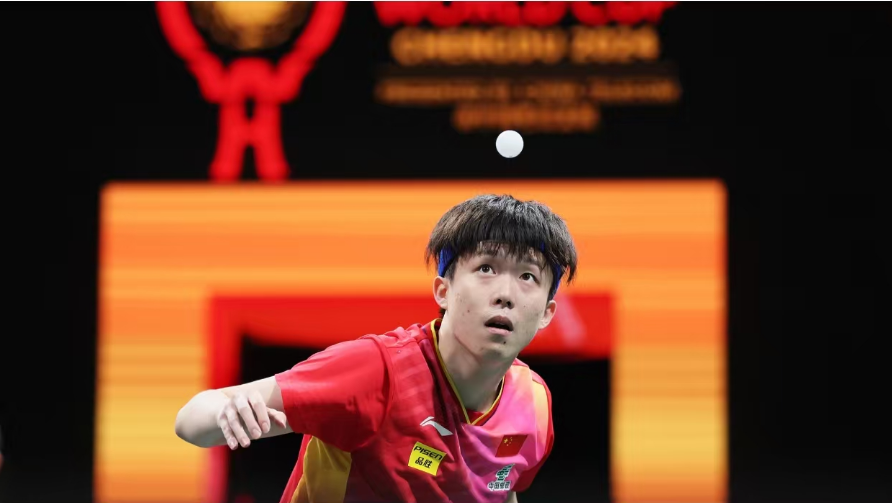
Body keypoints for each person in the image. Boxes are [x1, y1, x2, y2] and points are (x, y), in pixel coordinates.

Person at [175, 194, 578, 503]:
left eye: (527, 276)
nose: (506, 294)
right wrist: (226, 413)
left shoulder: (534, 405)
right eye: (486, 268)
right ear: (443, 290)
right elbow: (191, 420)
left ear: (546, 313)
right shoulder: (376, 372)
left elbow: (501, 489)